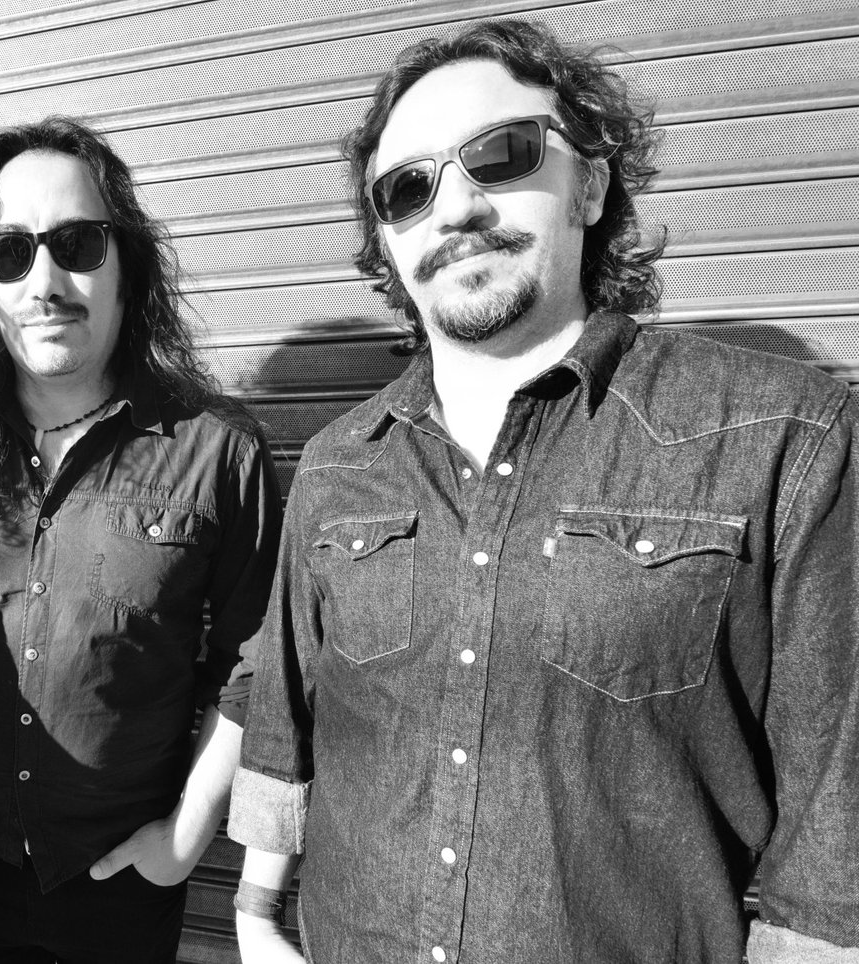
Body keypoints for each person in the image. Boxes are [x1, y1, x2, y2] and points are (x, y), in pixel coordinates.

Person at [230, 18, 858, 964]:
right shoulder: (336, 463)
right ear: (387, 243)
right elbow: (287, 706)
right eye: (407, 189)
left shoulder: (782, 437)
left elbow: (834, 815)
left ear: (591, 184)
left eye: (501, 153)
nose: (454, 206)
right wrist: (253, 911)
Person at [0, 116, 281, 963]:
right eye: (10, 253)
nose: (45, 282)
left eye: (78, 243)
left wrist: (184, 839)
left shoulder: (220, 453)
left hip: (122, 880)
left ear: (128, 264)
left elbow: (252, 666)